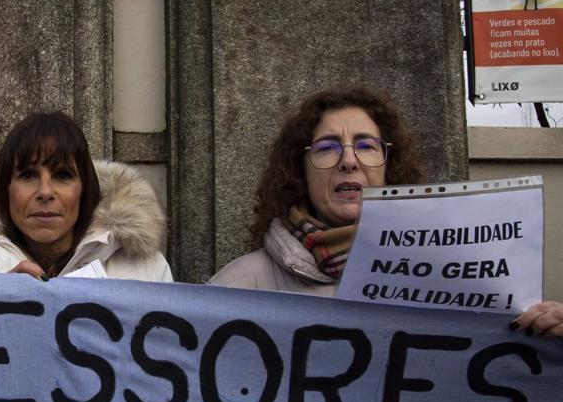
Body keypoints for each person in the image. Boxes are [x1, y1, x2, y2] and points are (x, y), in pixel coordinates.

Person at [208, 86, 563, 338]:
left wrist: (550, 341)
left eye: (366, 145)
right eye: (328, 147)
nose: (349, 160)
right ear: (299, 169)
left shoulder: (464, 280)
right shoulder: (238, 287)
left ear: (388, 166)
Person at [0, 111, 173, 282]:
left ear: (85, 189)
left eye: (63, 175)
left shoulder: (147, 273)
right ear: (6, 191)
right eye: (27, 175)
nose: (45, 192)